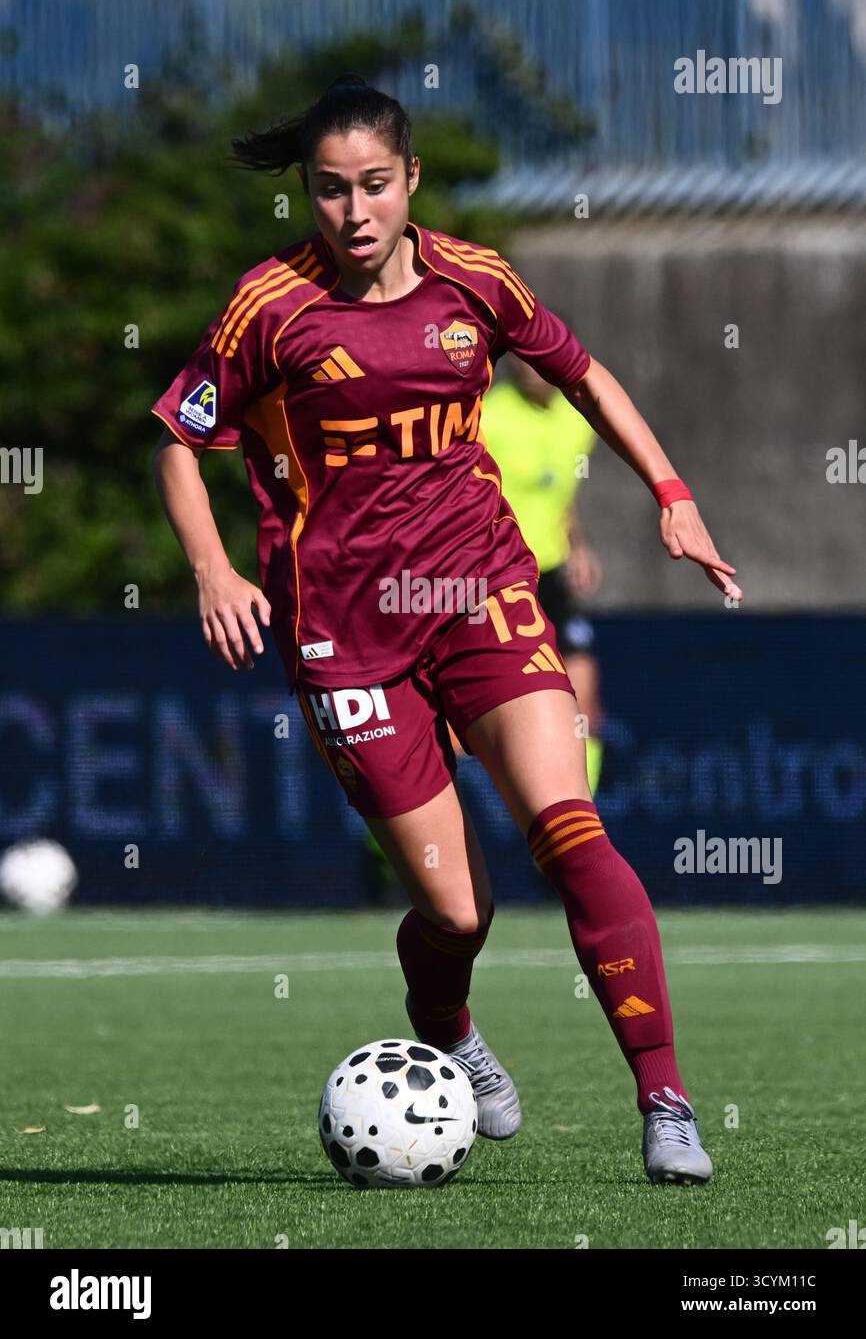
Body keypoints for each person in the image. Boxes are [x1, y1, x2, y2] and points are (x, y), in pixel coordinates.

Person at [151, 74, 742, 1184]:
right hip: (342, 635)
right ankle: (451, 1028)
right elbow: (180, 437)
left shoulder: (476, 281)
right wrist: (213, 567)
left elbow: (583, 376)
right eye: (329, 191)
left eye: (375, 184)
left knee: (570, 828)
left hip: (478, 594)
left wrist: (669, 490)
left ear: (411, 179)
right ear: (308, 197)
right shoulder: (268, 307)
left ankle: (664, 1102)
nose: (355, 211)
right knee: (454, 910)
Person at [481, 351, 605, 795]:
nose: (531, 367)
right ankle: (392, 852)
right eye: (525, 358)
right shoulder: (486, 418)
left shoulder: (577, 422)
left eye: (542, 357)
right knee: (461, 730)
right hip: (494, 577)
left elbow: (558, 492)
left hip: (551, 574)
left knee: (584, 706)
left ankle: (577, 840)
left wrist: (579, 545)